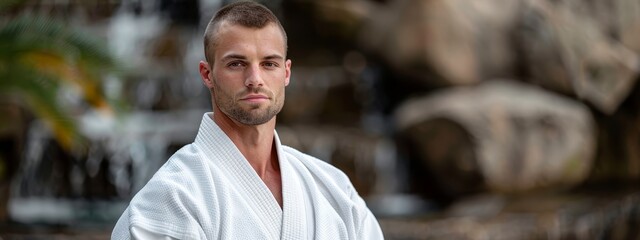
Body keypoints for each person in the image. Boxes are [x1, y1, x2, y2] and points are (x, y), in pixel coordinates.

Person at [111, 1, 384, 239]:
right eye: (237, 64)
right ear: (207, 74)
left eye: (269, 64)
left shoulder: (334, 189)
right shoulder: (172, 199)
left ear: (286, 72)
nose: (255, 79)